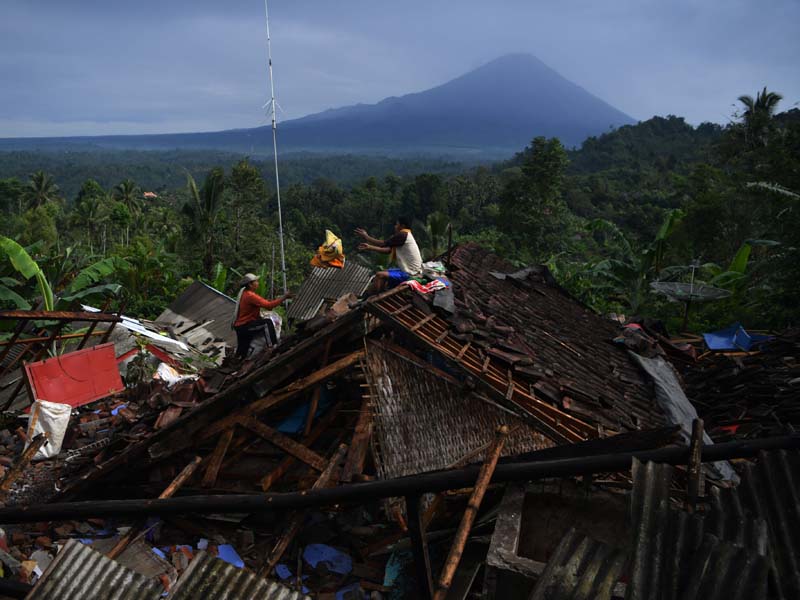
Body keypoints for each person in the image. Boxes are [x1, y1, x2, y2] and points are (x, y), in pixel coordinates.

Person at [232, 273, 292, 360]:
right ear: (250, 284)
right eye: (256, 281)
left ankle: (237, 362)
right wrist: (284, 297)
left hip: (240, 327)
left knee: (242, 350)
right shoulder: (250, 296)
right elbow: (269, 306)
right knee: (267, 323)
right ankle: (273, 347)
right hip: (245, 325)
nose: (258, 283)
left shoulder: (244, 294)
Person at [355, 217, 423, 292]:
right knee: (384, 272)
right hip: (409, 270)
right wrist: (370, 247)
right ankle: (378, 292)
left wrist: (366, 237)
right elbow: (388, 250)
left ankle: (375, 297)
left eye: (397, 224)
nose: (395, 226)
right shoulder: (405, 235)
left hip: (410, 273)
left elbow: (383, 244)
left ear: (402, 226)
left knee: (379, 275)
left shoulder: (403, 234)